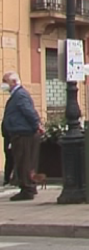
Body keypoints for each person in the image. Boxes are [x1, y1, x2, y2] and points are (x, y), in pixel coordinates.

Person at [1, 72, 41, 201]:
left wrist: (37, 125)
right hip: (21, 133)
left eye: (5, 81)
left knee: (24, 162)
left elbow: (29, 111)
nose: (3, 84)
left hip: (24, 133)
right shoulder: (17, 95)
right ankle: (29, 187)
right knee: (25, 161)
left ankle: (27, 189)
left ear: (13, 82)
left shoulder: (20, 95)